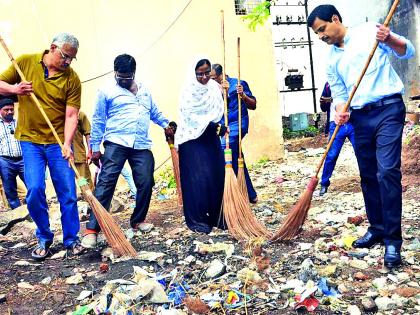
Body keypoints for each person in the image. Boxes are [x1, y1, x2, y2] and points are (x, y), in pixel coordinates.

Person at [308, 5, 415, 268]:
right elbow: (340, 93)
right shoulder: (331, 59)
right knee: (368, 174)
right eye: (317, 34)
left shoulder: (369, 32)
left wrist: (390, 39)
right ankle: (377, 228)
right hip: (360, 117)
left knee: (387, 171)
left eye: (322, 29)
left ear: (335, 19)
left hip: (388, 109)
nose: (321, 36)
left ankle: (393, 241)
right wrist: (340, 110)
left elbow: (407, 51)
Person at [0, 33, 84, 260]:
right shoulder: (25, 62)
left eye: (71, 59)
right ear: (53, 48)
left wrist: (67, 144)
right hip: (30, 141)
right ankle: (44, 237)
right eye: (65, 56)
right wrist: (15, 90)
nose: (67, 62)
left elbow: (71, 114)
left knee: (67, 192)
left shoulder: (72, 79)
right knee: (35, 190)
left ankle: (71, 239)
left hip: (58, 143)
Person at [82, 54, 173, 248]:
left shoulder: (144, 91)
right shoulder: (106, 91)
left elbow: (153, 112)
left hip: (141, 144)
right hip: (116, 143)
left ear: (134, 73)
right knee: (106, 183)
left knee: (146, 181)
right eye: (119, 76)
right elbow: (98, 119)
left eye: (127, 77)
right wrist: (95, 147)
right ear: (114, 72)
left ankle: (138, 220)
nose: (123, 80)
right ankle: (92, 230)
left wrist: (165, 124)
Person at [175, 58, 227, 234]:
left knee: (216, 176)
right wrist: (214, 127)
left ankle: (217, 217)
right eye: (200, 74)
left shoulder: (213, 87)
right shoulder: (188, 90)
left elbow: (217, 110)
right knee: (198, 180)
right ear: (193, 73)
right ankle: (197, 219)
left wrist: (224, 92)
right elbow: (191, 117)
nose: (204, 77)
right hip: (192, 141)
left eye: (207, 73)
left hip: (210, 138)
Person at [210, 64, 258, 203]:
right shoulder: (212, 89)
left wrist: (242, 95)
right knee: (235, 156)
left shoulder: (238, 84)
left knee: (227, 148)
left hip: (238, 124)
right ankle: (248, 194)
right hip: (222, 126)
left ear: (221, 75)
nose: (210, 80)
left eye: (213, 78)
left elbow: (253, 105)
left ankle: (236, 194)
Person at [319, 82, 356, 196]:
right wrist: (324, 101)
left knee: (361, 152)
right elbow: (324, 107)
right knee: (332, 154)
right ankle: (324, 184)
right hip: (336, 123)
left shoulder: (353, 79)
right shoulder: (329, 84)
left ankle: (371, 181)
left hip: (354, 122)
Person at [0, 97, 25, 209]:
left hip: (23, 160)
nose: (10, 111)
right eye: (6, 109)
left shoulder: (20, 124)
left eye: (11, 109)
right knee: (10, 190)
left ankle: (37, 210)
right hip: (5, 161)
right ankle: (18, 214)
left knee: (33, 185)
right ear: (0, 110)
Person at [73, 111, 93, 190]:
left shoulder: (79, 114)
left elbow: (88, 133)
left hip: (78, 157)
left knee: (84, 183)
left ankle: (91, 201)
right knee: (66, 186)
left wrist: (90, 150)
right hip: (61, 158)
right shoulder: (55, 114)